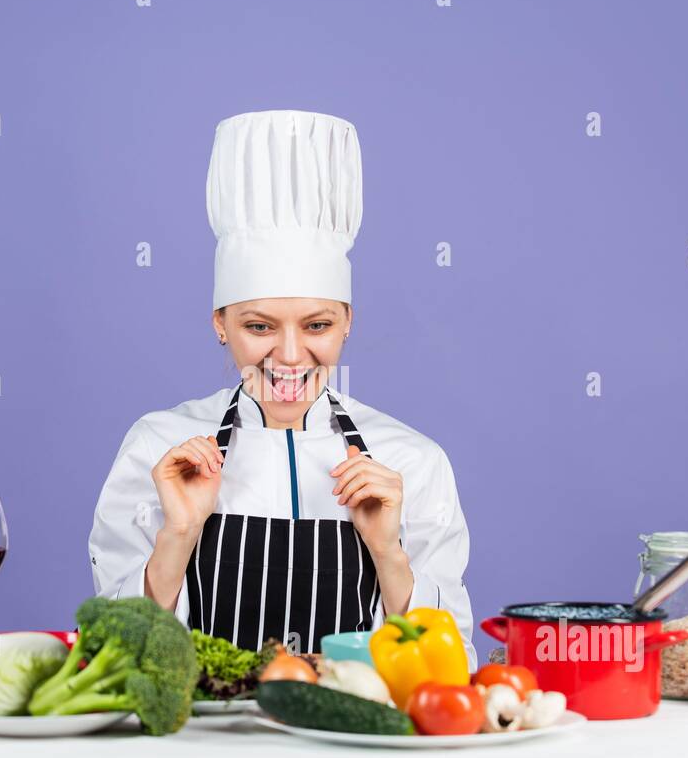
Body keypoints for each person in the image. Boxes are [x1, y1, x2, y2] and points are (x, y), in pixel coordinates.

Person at [88, 109, 477, 669]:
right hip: (201, 745)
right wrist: (179, 533)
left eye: (317, 326)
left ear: (348, 322)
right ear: (220, 323)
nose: (290, 356)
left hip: (350, 743)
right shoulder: (160, 448)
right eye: (259, 326)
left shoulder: (412, 462)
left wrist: (389, 554)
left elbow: (449, 667)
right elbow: (118, 658)